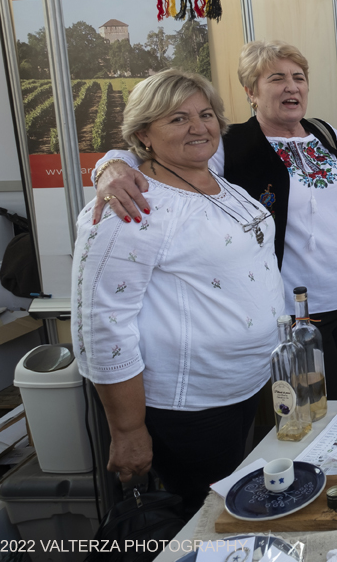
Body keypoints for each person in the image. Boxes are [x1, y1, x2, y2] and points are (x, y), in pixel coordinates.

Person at [92, 41, 337, 400]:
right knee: (319, 403)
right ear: (250, 91)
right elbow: (149, 155)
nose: (292, 86)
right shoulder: (228, 143)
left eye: (299, 77)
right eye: (277, 78)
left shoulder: (324, 134)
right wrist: (108, 167)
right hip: (293, 308)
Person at [71, 70, 283, 513]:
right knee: (204, 519)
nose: (198, 127)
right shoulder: (131, 206)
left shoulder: (215, 180)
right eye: (177, 119)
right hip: (187, 408)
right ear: (143, 134)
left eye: (206, 114)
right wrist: (128, 431)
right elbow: (102, 324)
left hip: (240, 389)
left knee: (230, 508)